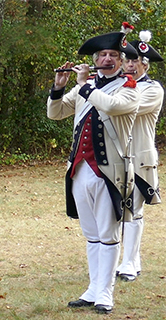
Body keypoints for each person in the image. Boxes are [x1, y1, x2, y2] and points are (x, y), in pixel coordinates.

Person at [47, 26, 140, 314]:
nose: (107, 59)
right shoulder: (84, 87)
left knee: (109, 234)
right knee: (91, 234)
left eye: (114, 55)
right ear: (96, 58)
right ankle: (92, 288)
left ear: (122, 60)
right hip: (80, 169)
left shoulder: (129, 88)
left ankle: (105, 293)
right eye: (103, 55)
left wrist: (85, 84)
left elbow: (110, 106)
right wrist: (59, 87)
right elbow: (56, 113)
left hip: (110, 172)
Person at [116, 30, 164, 282]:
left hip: (139, 158)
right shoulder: (118, 85)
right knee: (115, 212)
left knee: (133, 210)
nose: (131, 65)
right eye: (128, 61)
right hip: (117, 157)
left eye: (137, 62)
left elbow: (127, 106)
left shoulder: (153, 89)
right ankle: (129, 260)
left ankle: (129, 264)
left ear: (145, 65)